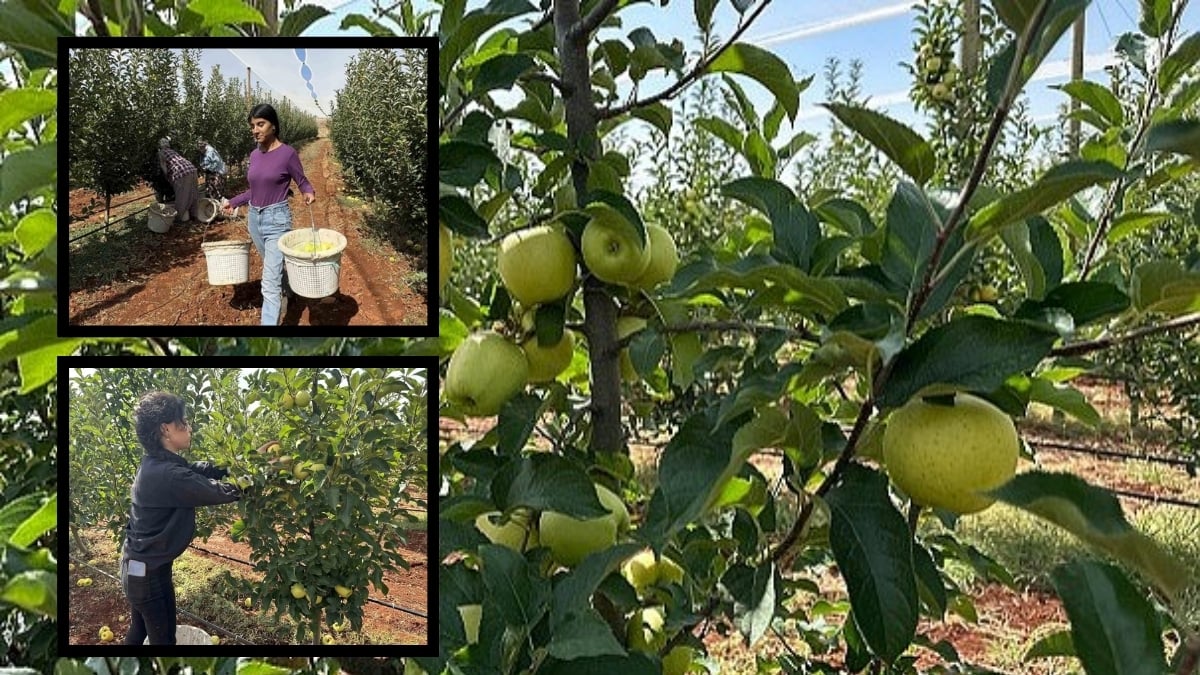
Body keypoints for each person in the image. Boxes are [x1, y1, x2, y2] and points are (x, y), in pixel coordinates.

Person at [120, 391, 274, 645]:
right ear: (167, 428)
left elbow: (199, 470)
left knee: (139, 632)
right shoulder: (168, 475)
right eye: (184, 421)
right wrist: (261, 472)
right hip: (147, 576)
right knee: (163, 639)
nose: (189, 427)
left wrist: (247, 459)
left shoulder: (156, 464)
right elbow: (222, 491)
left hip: (139, 568)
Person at [222, 103, 316, 326]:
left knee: (269, 281)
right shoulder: (254, 155)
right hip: (255, 219)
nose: (255, 130)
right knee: (272, 265)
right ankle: (289, 291)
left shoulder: (287, 154)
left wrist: (308, 192)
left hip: (277, 220)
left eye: (260, 124)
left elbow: (302, 181)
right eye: (252, 126)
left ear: (273, 126)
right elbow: (254, 190)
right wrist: (234, 202)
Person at [156, 138, 199, 224]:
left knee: (182, 197)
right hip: (192, 169)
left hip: (181, 173)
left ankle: (178, 219)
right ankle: (194, 216)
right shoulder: (172, 151)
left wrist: (166, 177)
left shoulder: (161, 153)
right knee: (193, 194)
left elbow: (164, 167)